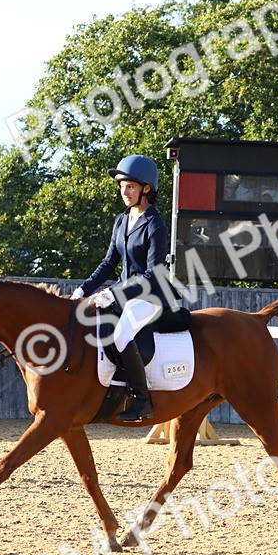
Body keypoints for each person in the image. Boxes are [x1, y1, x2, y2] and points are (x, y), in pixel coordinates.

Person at [71, 155, 177, 422]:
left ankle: (143, 401)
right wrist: (83, 290)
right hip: (123, 292)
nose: (124, 192)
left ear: (146, 189)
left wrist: (113, 294)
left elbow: (154, 273)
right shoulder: (121, 220)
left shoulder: (155, 225)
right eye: (121, 186)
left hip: (151, 296)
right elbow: (109, 262)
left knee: (121, 335)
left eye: (129, 186)